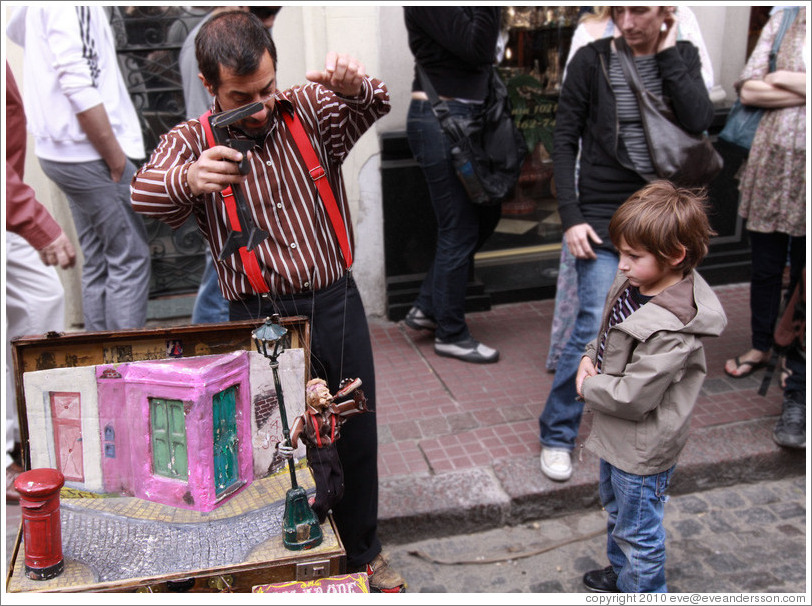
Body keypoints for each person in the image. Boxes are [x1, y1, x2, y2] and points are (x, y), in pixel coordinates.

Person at [130, 11, 405, 593]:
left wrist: (356, 86)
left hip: (334, 300)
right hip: (258, 318)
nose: (258, 106)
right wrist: (189, 180)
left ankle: (363, 552)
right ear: (210, 86)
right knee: (274, 445)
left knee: (353, 432)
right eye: (240, 97)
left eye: (265, 90)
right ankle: (293, 558)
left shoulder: (308, 108)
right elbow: (143, 194)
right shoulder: (191, 141)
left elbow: (377, 101)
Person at [538, 6, 715, 482]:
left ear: (666, 12)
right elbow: (563, 137)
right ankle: (557, 432)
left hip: (661, 222)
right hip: (601, 217)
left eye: (640, 10)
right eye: (619, 10)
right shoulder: (592, 59)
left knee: (659, 331)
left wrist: (669, 54)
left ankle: (633, 434)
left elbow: (699, 119)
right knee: (592, 327)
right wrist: (571, 217)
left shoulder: (682, 55)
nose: (628, 21)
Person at [577, 181, 727, 593]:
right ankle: (621, 573)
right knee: (617, 512)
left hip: (642, 444)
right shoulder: (636, 284)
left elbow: (633, 396)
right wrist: (590, 354)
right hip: (616, 433)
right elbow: (609, 333)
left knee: (639, 531)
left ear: (675, 256)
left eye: (632, 256)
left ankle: (642, 589)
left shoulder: (672, 329)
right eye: (621, 252)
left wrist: (587, 385)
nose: (621, 264)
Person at [6, 6, 152, 332]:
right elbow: (77, 82)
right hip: (88, 150)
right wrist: (115, 159)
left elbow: (16, 30)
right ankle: (122, 370)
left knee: (101, 259)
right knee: (129, 258)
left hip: (63, 151)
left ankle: (99, 367)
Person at [401, 6, 502, 364]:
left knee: (486, 214)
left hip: (466, 121)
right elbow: (478, 48)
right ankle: (451, 334)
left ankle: (429, 306)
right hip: (443, 121)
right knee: (457, 226)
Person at [5, 61, 78, 502]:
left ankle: (27, 432)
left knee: (43, 297)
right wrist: (33, 218)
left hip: (7, 197)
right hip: (11, 202)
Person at [722, 7, 806, 380]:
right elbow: (750, 88)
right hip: (771, 163)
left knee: (805, 267)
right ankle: (761, 344)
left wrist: (783, 77)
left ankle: (796, 352)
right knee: (767, 264)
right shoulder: (786, 15)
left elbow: (766, 84)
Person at [179, 6, 249, 324]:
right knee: (224, 274)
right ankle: (209, 349)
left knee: (222, 268)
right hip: (219, 158)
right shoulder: (218, 40)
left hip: (216, 157)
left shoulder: (202, 35)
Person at [281, 378, 369, 523]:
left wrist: (355, 391)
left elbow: (358, 407)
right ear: (313, 399)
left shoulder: (335, 410)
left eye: (328, 393)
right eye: (324, 394)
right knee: (324, 493)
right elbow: (291, 437)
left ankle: (326, 506)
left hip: (332, 451)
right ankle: (316, 517)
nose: (328, 396)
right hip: (318, 455)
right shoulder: (304, 418)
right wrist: (284, 446)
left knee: (338, 489)